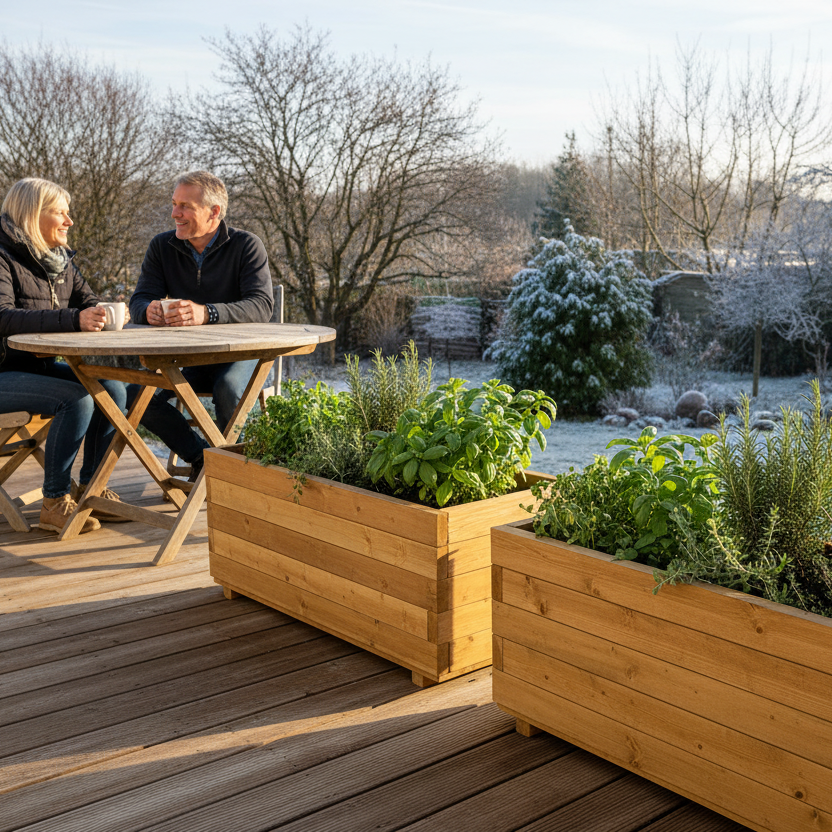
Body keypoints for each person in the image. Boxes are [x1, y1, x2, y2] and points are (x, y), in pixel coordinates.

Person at [0, 178, 128, 533]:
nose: (69, 221)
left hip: (35, 369)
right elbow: (3, 317)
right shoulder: (2, 257)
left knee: (113, 389)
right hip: (4, 373)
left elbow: (88, 301)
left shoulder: (60, 262)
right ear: (32, 214)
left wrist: (107, 312)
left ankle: (92, 488)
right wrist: (74, 319)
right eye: (61, 213)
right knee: (76, 399)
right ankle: (54, 502)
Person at [127, 171, 273, 476]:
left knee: (228, 388)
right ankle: (203, 459)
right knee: (135, 393)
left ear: (214, 212)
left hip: (240, 357)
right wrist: (148, 311)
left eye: (185, 206)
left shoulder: (246, 245)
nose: (174, 213)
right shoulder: (162, 246)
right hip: (185, 359)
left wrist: (207, 313)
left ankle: (239, 477)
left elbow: (261, 306)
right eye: (174, 204)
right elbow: (139, 299)